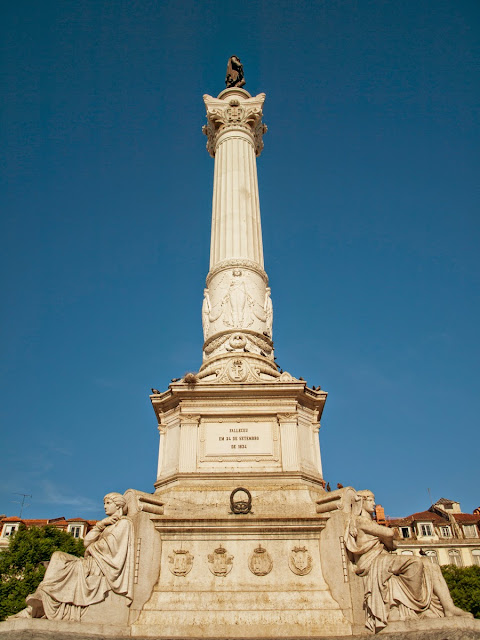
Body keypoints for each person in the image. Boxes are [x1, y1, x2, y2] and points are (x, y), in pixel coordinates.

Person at [345, 490, 472, 632]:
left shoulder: (368, 522)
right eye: (370, 500)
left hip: (384, 557)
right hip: (373, 561)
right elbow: (389, 534)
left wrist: (388, 540)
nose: (374, 504)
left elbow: (392, 543)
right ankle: (418, 607)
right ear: (361, 501)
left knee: (430, 565)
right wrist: (387, 539)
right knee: (414, 563)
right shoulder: (360, 521)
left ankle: (449, 607)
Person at [16, 492, 134, 622]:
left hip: (101, 565)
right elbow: (86, 542)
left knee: (59, 559)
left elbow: (111, 549)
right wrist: (101, 524)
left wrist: (91, 548)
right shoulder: (108, 524)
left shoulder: (124, 524)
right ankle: (39, 601)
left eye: (108, 503)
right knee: (58, 557)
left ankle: (36, 607)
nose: (104, 507)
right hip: (93, 560)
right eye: (104, 503)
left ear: (118, 506)